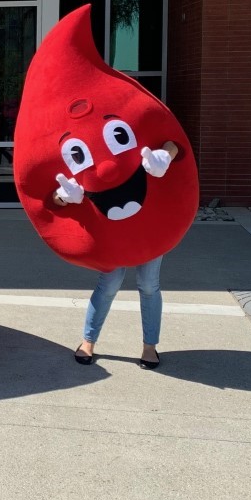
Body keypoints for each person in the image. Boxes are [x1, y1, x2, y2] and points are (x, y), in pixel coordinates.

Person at [52, 140, 180, 369]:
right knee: (109, 284)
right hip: (109, 231)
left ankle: (149, 346)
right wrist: (62, 197)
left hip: (148, 229)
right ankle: (88, 341)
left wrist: (166, 156)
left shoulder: (131, 120)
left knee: (149, 285)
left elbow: (173, 142)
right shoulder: (83, 135)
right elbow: (53, 191)